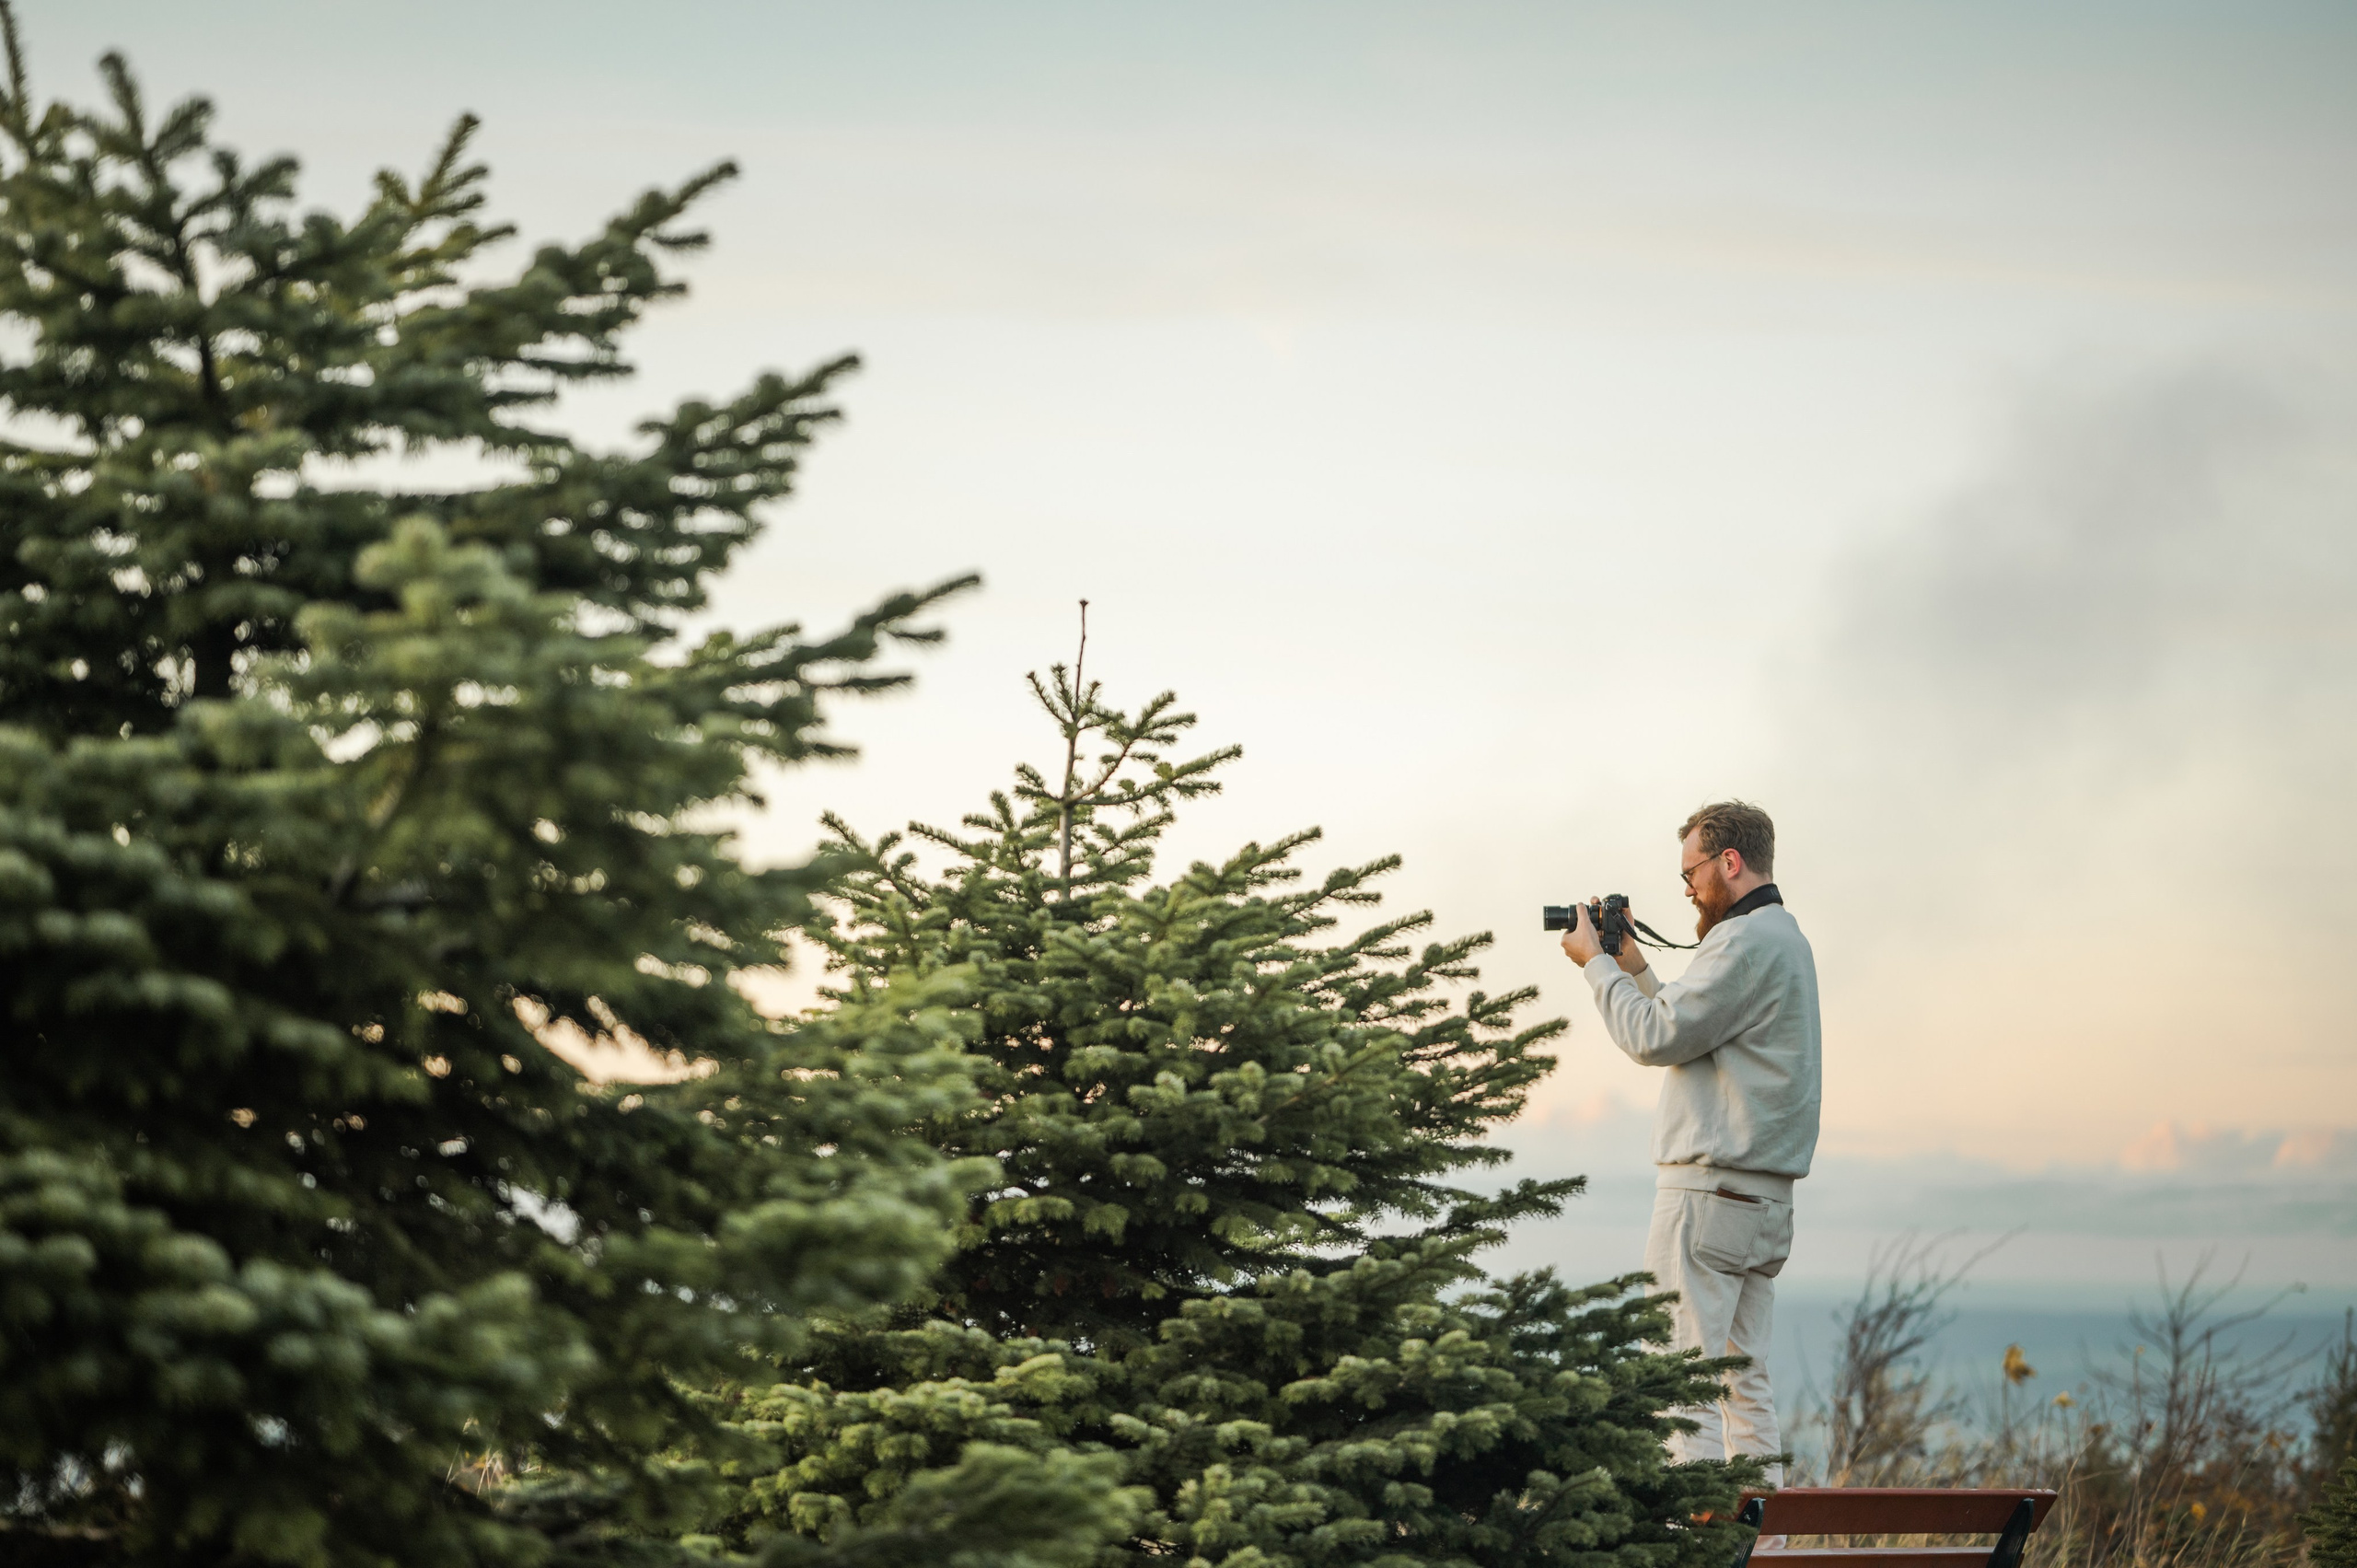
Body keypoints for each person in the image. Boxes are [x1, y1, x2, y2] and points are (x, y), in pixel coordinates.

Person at [1558, 800, 1820, 1484]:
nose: (1687, 890)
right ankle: (1761, 1537)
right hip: (1764, 1203)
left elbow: (1655, 1036)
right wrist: (1635, 968)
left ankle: (1689, 1537)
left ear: (1728, 862)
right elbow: (1694, 1026)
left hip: (1708, 1196)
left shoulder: (1741, 942)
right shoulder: (1785, 939)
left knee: (1679, 1386)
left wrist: (1595, 967)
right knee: (1743, 1383)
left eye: (1691, 872)